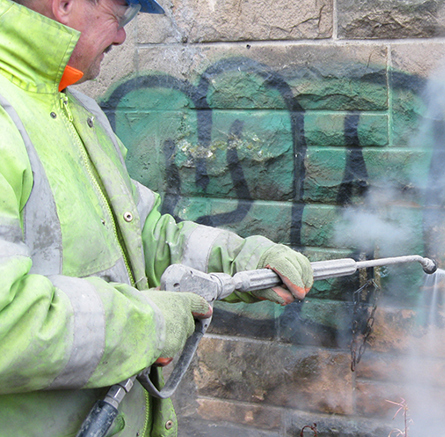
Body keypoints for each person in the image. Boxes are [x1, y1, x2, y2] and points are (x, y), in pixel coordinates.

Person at [0, 0, 315, 435]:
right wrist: (143, 324)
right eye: (120, 13)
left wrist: (242, 261)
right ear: (65, 4)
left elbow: (145, 236)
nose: (122, 36)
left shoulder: (79, 112)